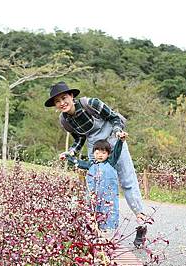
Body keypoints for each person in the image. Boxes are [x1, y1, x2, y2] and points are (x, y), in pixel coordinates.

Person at [45, 81, 150, 248]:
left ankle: (141, 222)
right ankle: (97, 229)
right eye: (57, 102)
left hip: (114, 140)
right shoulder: (64, 120)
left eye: (64, 98)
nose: (61, 103)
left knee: (127, 182)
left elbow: (114, 117)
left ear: (72, 96)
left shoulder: (91, 104)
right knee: (95, 187)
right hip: (95, 148)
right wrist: (71, 152)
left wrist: (117, 132)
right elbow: (80, 138)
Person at [65, 138, 124, 231]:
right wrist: (67, 157)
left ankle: (107, 234)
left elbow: (117, 152)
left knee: (108, 215)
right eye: (97, 153)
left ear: (108, 154)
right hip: (93, 197)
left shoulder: (111, 162)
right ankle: (93, 232)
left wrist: (120, 141)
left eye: (103, 153)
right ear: (93, 154)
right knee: (92, 214)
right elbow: (79, 163)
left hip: (108, 198)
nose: (100, 155)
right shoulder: (91, 164)